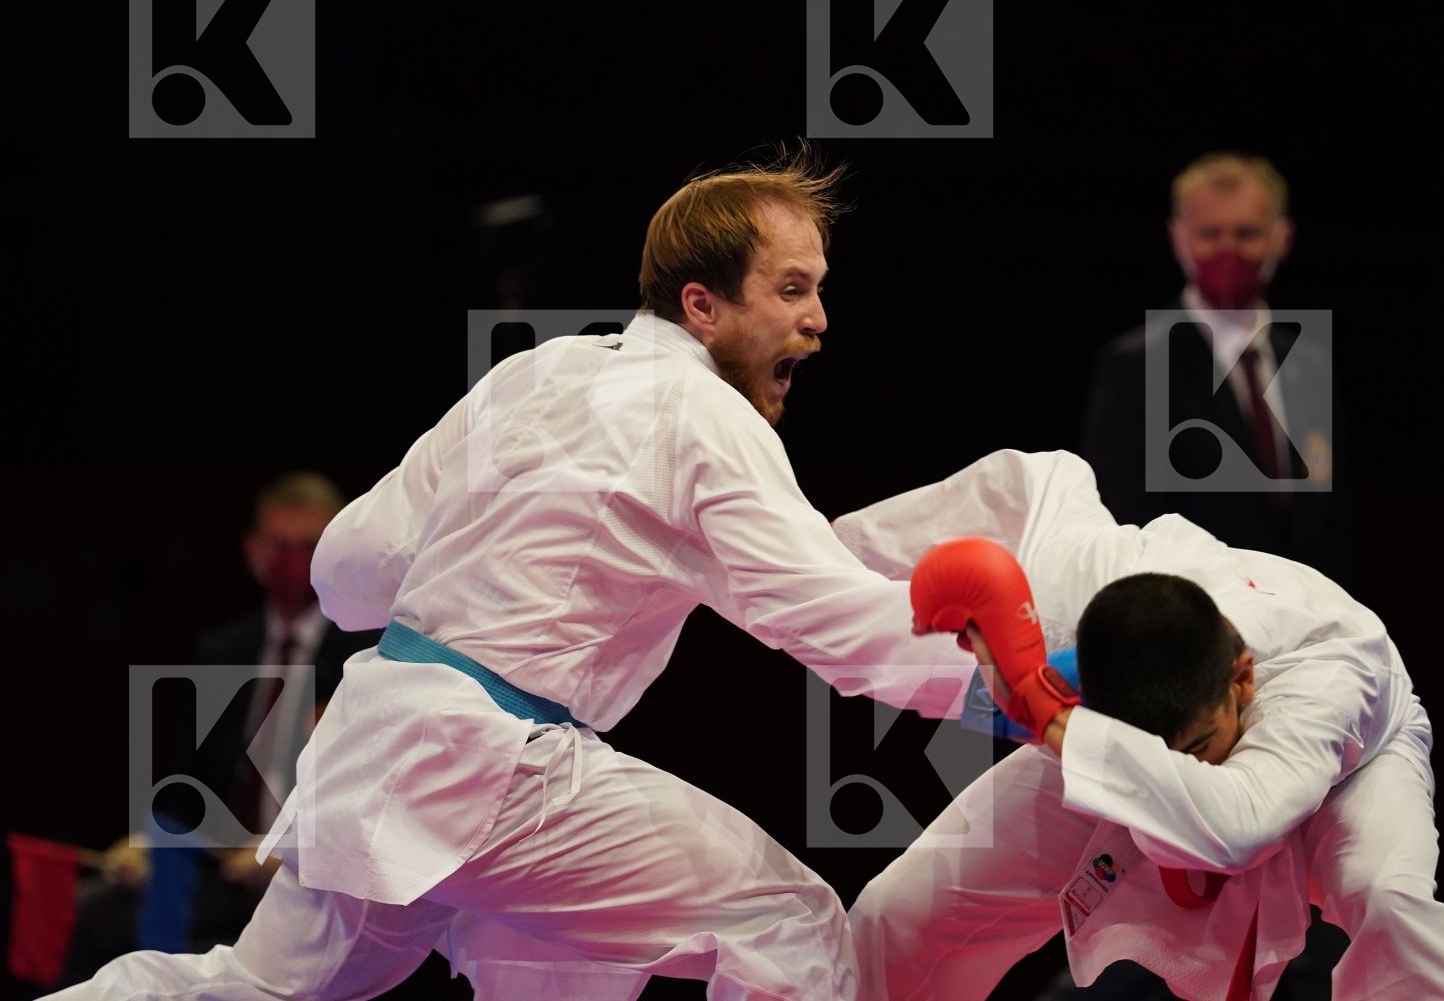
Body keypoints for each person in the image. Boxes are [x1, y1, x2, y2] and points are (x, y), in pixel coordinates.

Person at [49, 146, 978, 1001]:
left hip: (382, 743)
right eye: (792, 288)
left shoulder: (537, 372)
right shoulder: (707, 417)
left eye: (818, 289)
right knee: (789, 924)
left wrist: (468, 598)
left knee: (256, 989)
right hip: (497, 767)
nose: (818, 319)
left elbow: (347, 568)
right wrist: (1014, 686)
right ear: (703, 305)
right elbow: (827, 617)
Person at [837, 449, 1444, 1000]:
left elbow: (1238, 825)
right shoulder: (1086, 593)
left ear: (1241, 680)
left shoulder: (1323, 680)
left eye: (1199, 746)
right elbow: (1026, 486)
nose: (1189, 768)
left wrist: (1045, 713)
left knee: (1386, 899)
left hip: (1353, 769)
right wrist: (815, 548)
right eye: (1159, 750)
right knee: (906, 909)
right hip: (1117, 740)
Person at [59, 472, 380, 984]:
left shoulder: (369, 658)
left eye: (309, 546)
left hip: (314, 882)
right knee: (87, 919)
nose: (293, 562)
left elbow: (373, 798)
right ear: (253, 551)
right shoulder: (223, 651)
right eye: (279, 547)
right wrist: (146, 843)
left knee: (190, 958)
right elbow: (185, 789)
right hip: (220, 873)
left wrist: (292, 853)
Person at [1081, 153, 1348, 587]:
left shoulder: (1310, 365)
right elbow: (1126, 529)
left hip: (1305, 613)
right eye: (1210, 234)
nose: (1229, 251)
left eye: (1247, 233)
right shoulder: (1137, 366)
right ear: (1179, 238)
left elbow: (1330, 525)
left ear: (1282, 237)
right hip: (1196, 616)